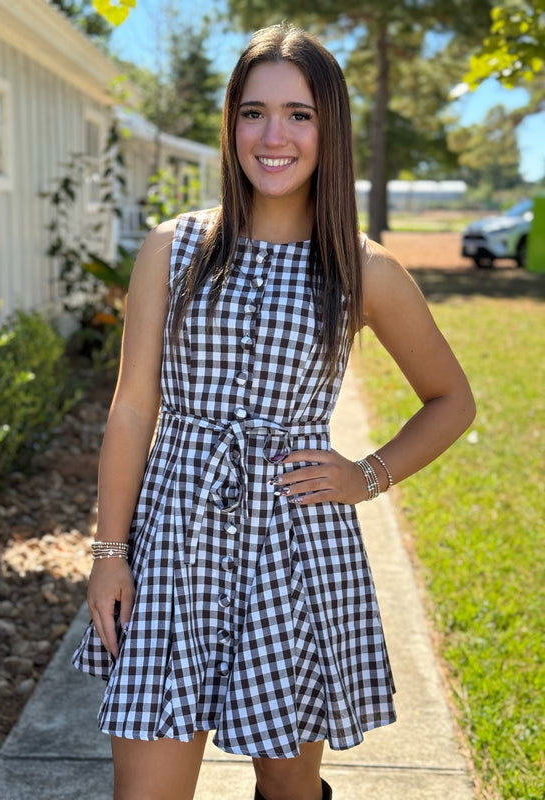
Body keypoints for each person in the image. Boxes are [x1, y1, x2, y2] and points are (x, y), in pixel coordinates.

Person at [73, 22, 475, 800]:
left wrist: (369, 474)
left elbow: (452, 399)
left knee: (289, 789)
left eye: (299, 114)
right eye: (253, 112)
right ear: (230, 124)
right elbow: (132, 410)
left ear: (330, 128)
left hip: (294, 547)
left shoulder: (361, 269)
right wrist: (108, 552)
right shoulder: (173, 248)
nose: (274, 135)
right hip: (176, 543)